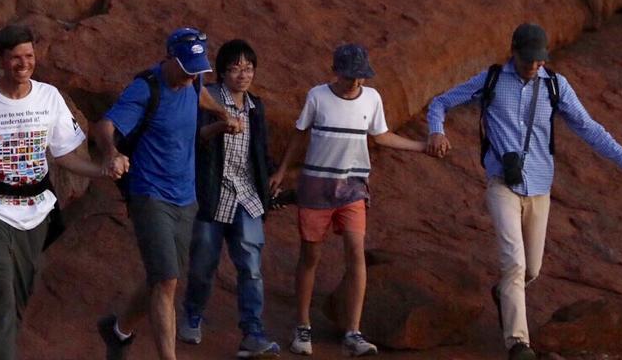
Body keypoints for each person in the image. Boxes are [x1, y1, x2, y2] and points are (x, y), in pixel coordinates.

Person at [425, 23, 622, 360]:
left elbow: (589, 127)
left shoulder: (556, 85)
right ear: (514, 52)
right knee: (514, 262)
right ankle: (518, 344)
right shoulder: (492, 79)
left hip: (540, 187)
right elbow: (440, 102)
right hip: (503, 184)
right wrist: (436, 131)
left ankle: (504, 294)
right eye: (529, 60)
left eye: (540, 60)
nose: (535, 65)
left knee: (532, 270)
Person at [0, 24, 112, 360]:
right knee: (2, 295)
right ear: (1, 59)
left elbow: (65, 156)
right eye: (15, 57)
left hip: (38, 211)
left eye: (29, 56)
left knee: (18, 298)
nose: (23, 63)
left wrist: (101, 169)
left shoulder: (49, 97)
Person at [271, 43, 428, 357]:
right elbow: (300, 132)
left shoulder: (372, 99)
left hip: (353, 186)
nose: (356, 82)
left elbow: (380, 135)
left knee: (356, 252)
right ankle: (302, 326)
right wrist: (283, 170)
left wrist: (421, 146)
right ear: (336, 72)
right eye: (350, 76)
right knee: (310, 256)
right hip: (317, 185)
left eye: (360, 77)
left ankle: (353, 332)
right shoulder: (318, 96)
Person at [95, 27, 230, 360]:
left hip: (186, 196)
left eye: (197, 69)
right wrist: (112, 153)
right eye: (186, 69)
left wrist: (220, 112)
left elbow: (199, 93)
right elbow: (104, 126)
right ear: (169, 57)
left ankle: (117, 331)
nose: (191, 76)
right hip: (149, 193)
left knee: (162, 278)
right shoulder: (146, 88)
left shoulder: (194, 79)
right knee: (168, 279)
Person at [178, 39, 281, 358]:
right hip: (213, 194)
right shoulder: (205, 99)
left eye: (248, 68)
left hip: (247, 195)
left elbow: (260, 150)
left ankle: (252, 332)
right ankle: (193, 314)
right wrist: (221, 126)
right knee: (203, 264)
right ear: (221, 72)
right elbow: (192, 140)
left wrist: (271, 177)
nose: (243, 75)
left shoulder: (256, 106)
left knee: (251, 266)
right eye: (235, 69)